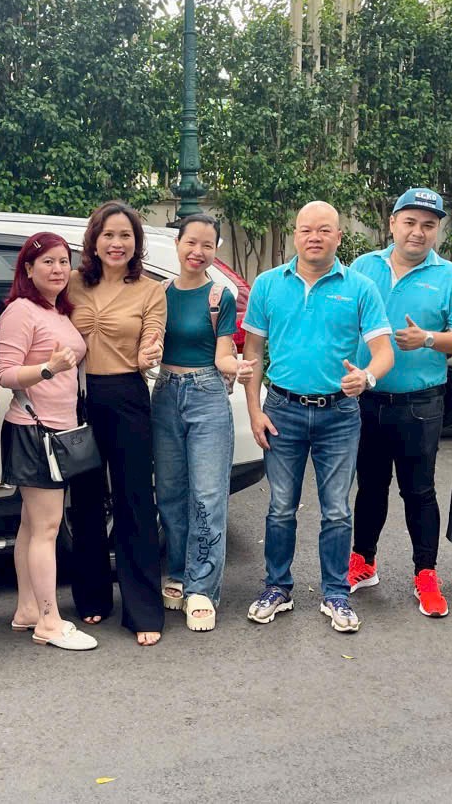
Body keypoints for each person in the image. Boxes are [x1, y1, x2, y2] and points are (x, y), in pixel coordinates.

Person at [242, 201, 394, 634]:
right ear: (295, 234)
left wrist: (366, 377)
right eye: (306, 229)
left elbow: (384, 351)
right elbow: (252, 354)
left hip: (339, 413)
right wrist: (254, 411)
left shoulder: (360, 287)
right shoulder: (269, 285)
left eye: (324, 230)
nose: (314, 237)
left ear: (338, 237)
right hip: (281, 411)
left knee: (337, 511)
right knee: (280, 507)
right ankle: (277, 587)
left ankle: (336, 593)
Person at [347, 188, 452, 618]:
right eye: (409, 222)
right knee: (370, 486)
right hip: (366, 398)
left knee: (419, 491)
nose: (417, 232)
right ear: (392, 224)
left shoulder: (451, 277)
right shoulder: (363, 268)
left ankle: (426, 573)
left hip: (419, 403)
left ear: (437, 230)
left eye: (428, 225)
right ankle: (363, 562)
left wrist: (427, 339)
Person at [67, 201, 167, 646]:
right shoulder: (73, 283)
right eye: (108, 234)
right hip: (79, 399)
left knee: (134, 502)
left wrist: (149, 352)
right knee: (86, 500)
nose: (116, 243)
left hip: (127, 396)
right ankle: (92, 597)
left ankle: (142, 608)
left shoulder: (150, 290)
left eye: (125, 235)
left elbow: (153, 335)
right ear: (94, 240)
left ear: (136, 243)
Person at [0, 233, 98, 652]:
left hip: (58, 431)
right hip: (34, 432)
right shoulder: (21, 310)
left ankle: (27, 610)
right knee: (47, 528)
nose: (57, 270)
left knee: (32, 525)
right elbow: (6, 373)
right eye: (47, 262)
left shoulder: (56, 310)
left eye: (63, 262)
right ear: (28, 268)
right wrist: (48, 369)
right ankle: (50, 621)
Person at [151, 214, 253, 632]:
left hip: (207, 394)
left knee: (208, 496)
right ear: (177, 244)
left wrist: (237, 367)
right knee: (170, 493)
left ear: (216, 250)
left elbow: (223, 355)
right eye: (191, 242)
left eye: (207, 245)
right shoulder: (158, 293)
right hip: (165, 393)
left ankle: (202, 589)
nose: (198, 252)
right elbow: (149, 344)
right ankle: (178, 572)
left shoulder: (219, 296)